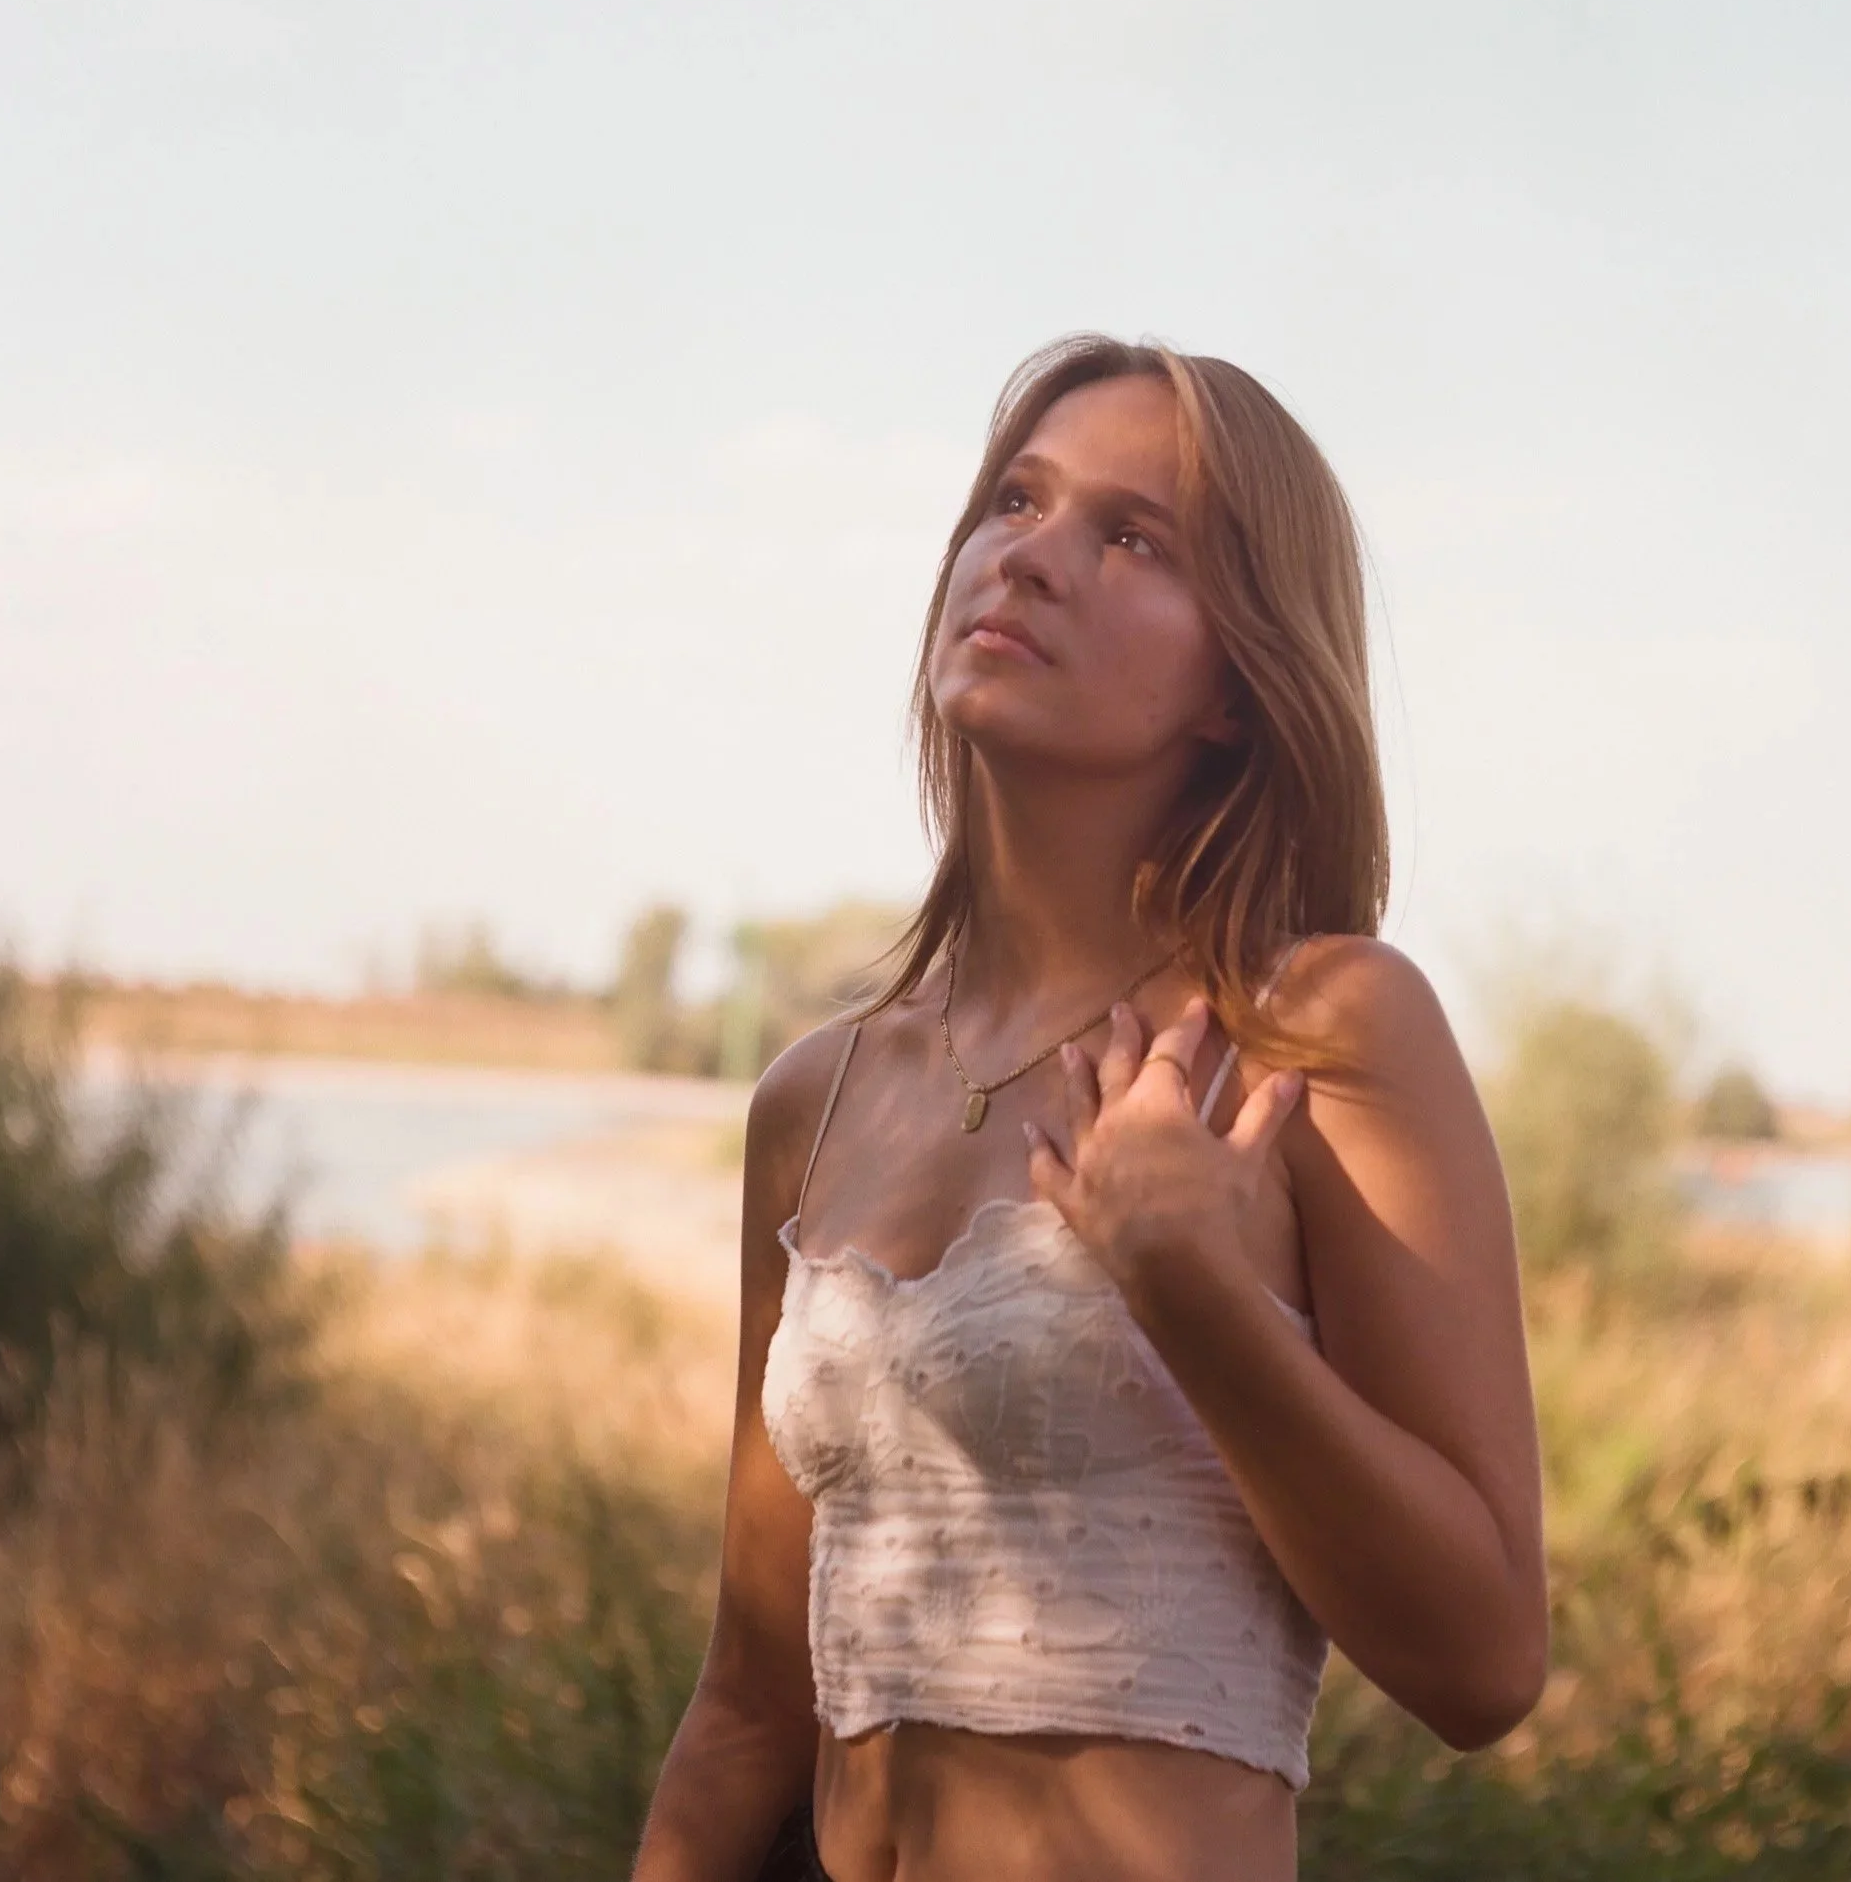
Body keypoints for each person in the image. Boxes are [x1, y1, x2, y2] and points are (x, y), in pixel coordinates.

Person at [633, 335, 1547, 1882]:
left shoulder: (1315, 1034)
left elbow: (1485, 1663)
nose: (1031, 556)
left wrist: (1193, 1292)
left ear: (1239, 688)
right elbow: (748, 1704)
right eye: (1014, 499)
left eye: (1131, 539)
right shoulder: (817, 1097)